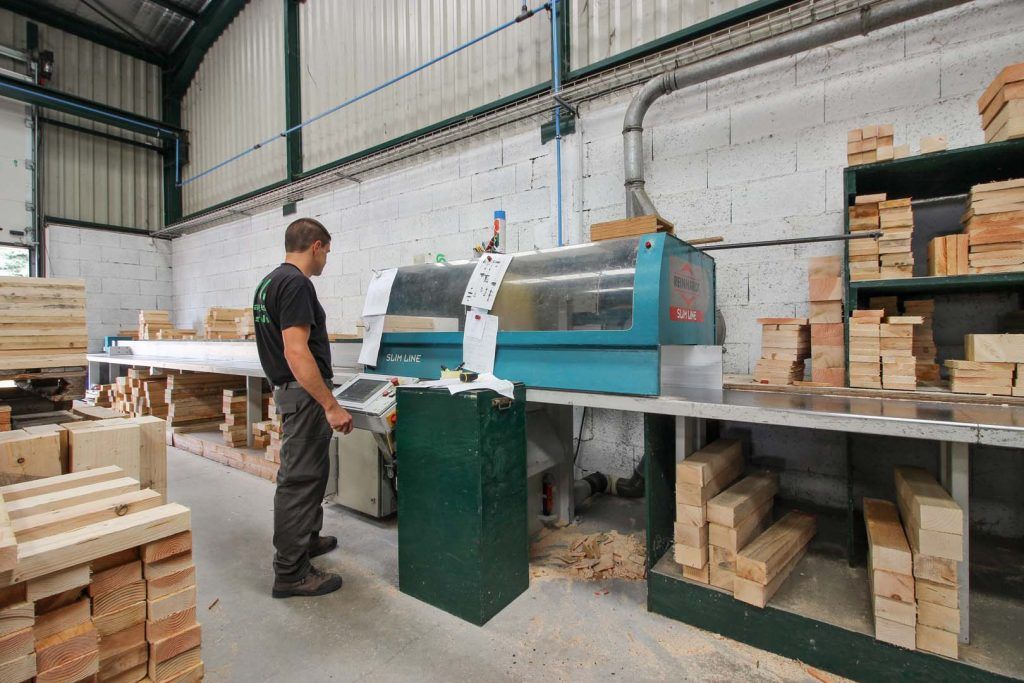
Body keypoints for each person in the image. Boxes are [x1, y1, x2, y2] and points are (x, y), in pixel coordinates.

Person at [253, 217, 354, 598]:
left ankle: (307, 540)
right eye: (326, 251)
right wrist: (329, 404)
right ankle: (291, 572)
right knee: (299, 481)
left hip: (291, 392)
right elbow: (296, 352)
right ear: (315, 245)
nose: (326, 259)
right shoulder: (297, 284)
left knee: (311, 473)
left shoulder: (269, 282)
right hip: (305, 394)